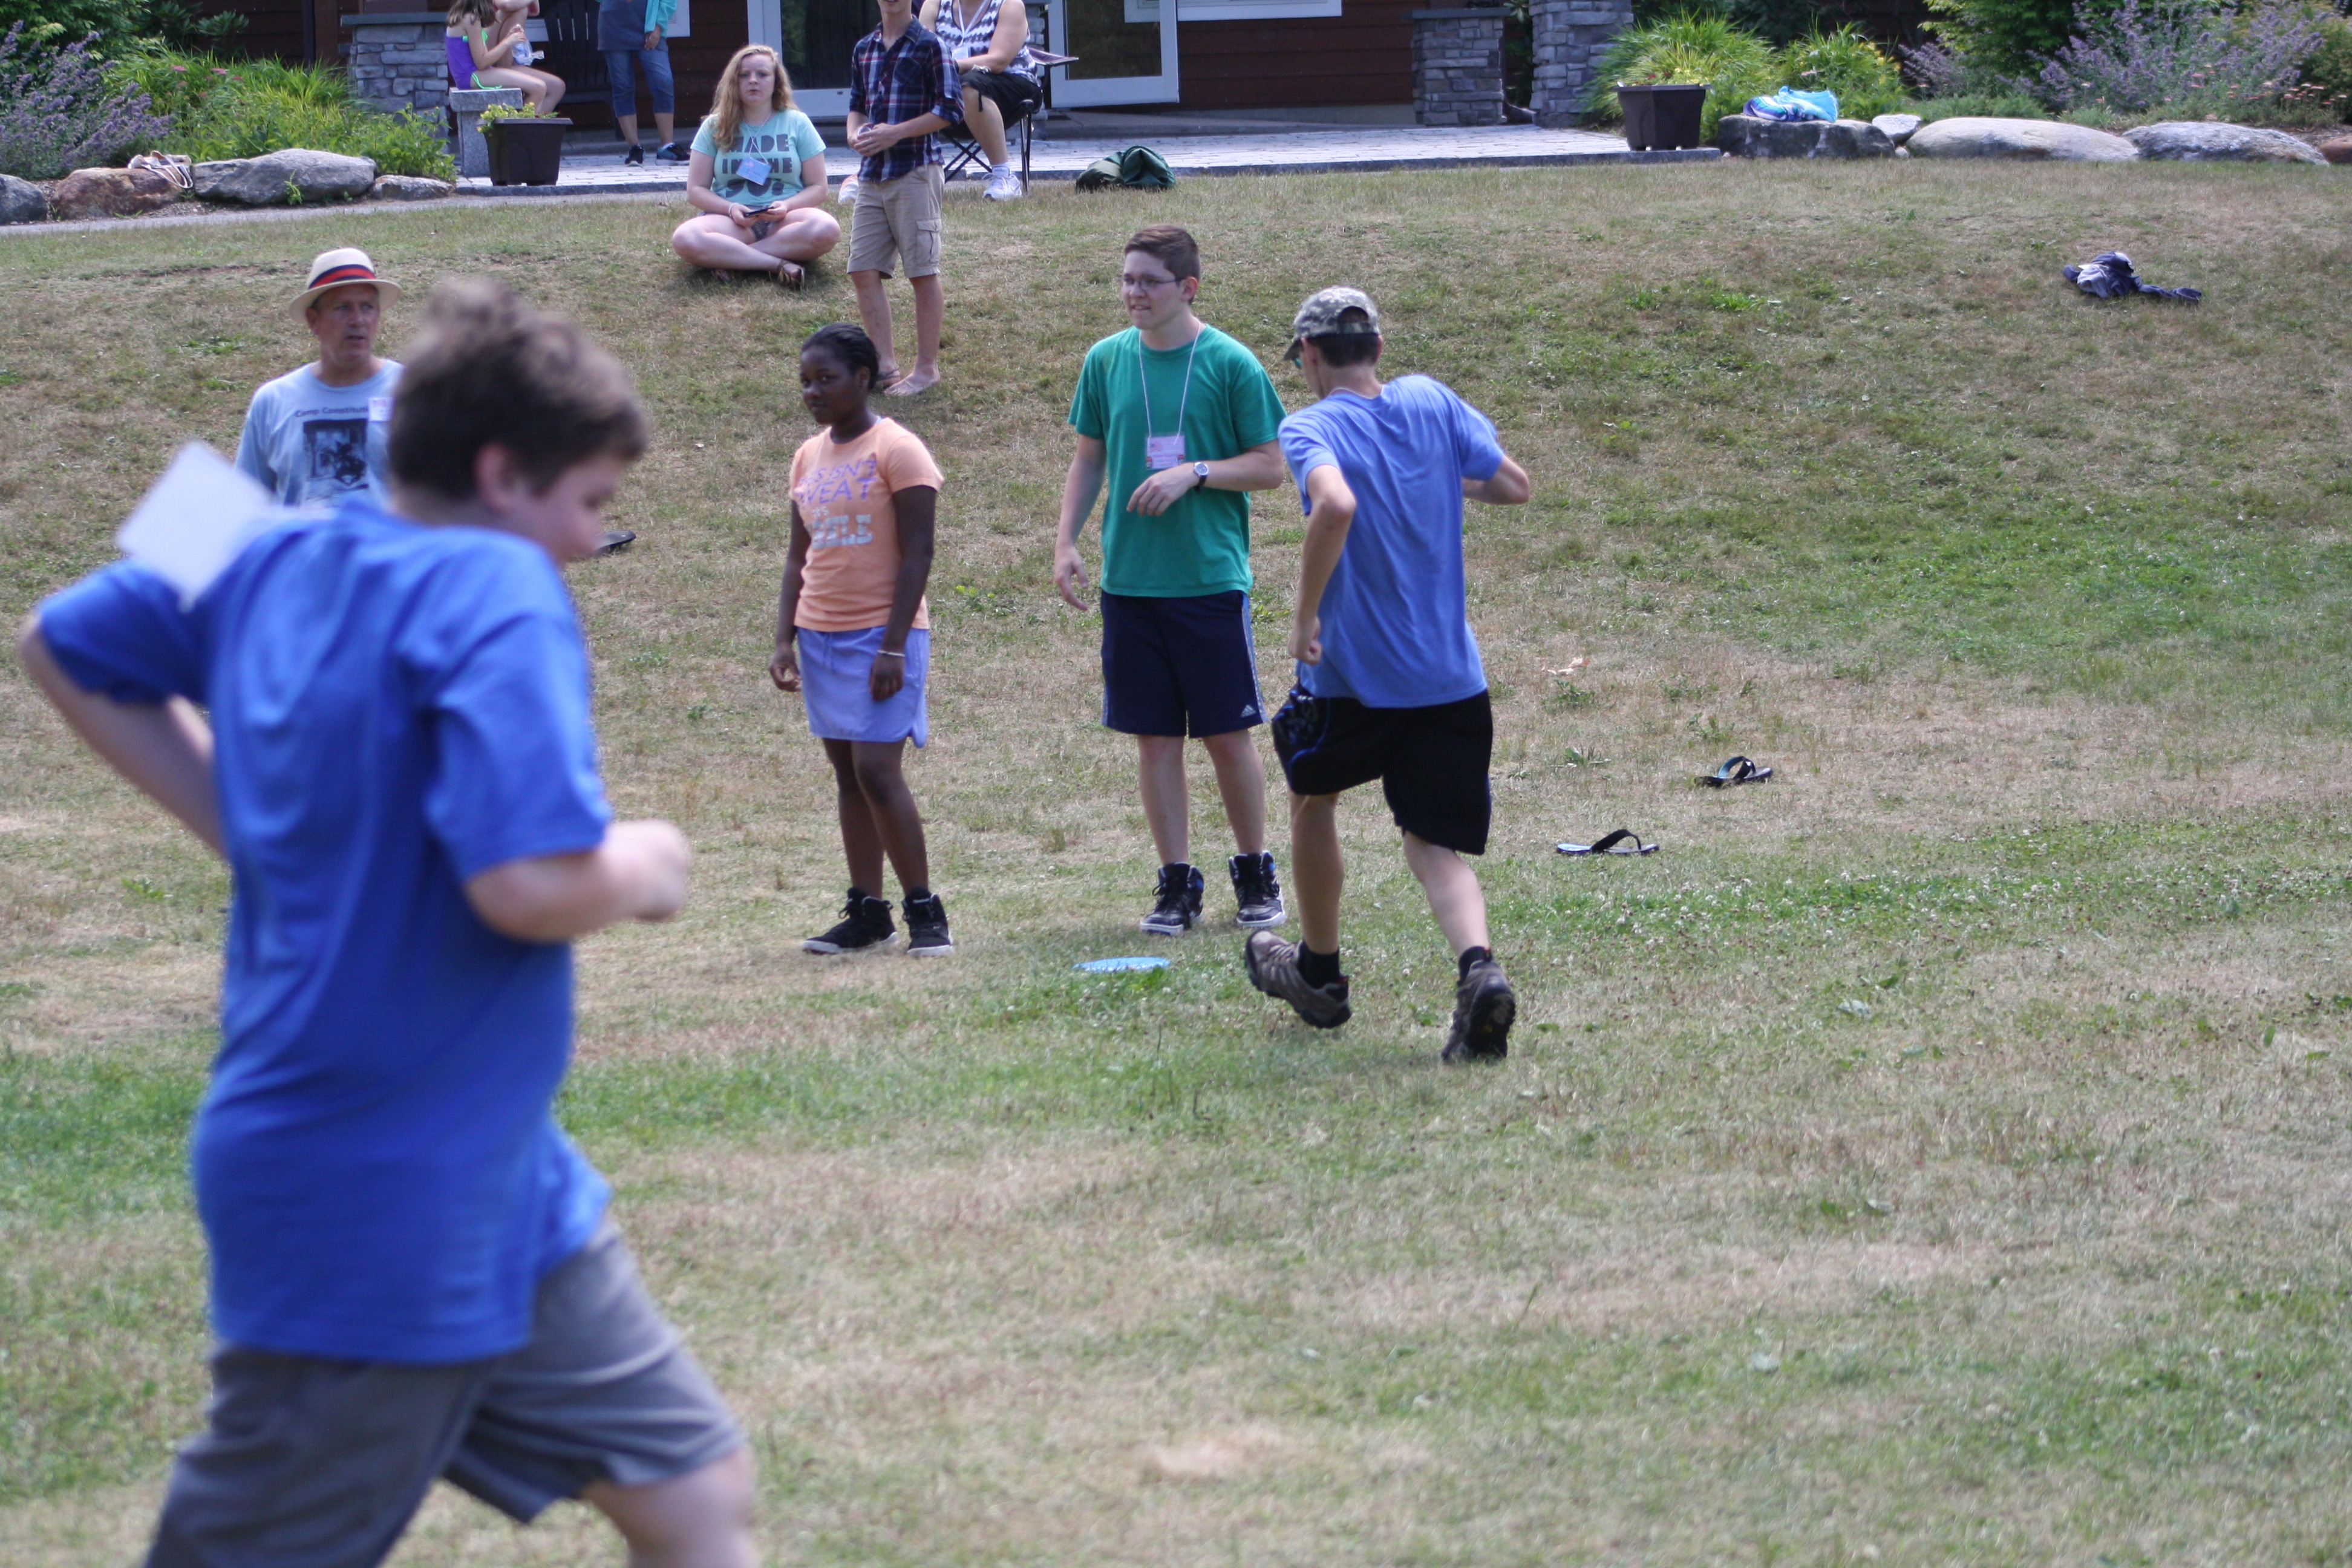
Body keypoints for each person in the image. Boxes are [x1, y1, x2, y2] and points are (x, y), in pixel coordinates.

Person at [16, 278, 756, 1567]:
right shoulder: (500, 583)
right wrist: (651, 862)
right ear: (501, 474)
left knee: (695, 1493)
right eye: (590, 504)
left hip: (504, 1176)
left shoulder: (254, 537)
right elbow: (527, 884)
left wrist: (240, 822)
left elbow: (57, 638)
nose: (593, 542)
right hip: (369, 1178)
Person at [1242, 287, 1532, 1063]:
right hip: (1450, 678)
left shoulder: (1311, 426)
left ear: (1309, 355)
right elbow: (1513, 484)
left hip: (1356, 680)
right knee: (1432, 842)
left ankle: (1319, 974)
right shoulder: (1431, 401)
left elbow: (1334, 504)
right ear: (1377, 347)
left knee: (1313, 798)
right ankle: (1479, 968)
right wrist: (1430, 479)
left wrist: (1303, 617)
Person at [1054, 225, 1291, 936]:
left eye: (1149, 281)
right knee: (1154, 739)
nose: (1134, 293)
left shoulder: (1230, 363)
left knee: (1226, 735)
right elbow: (1089, 456)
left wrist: (1196, 472)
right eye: (1127, 279)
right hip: (1131, 583)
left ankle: (1254, 873)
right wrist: (1065, 541)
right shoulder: (1105, 360)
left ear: (1187, 288)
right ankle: (1177, 883)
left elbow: (1271, 467)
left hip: (1208, 580)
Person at [770, 324, 953, 957]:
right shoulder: (807, 456)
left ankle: (924, 908)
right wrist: (784, 639)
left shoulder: (898, 449)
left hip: (883, 634)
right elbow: (798, 557)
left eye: (826, 379)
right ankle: (868, 911)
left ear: (863, 378)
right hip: (820, 634)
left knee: (877, 770)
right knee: (848, 774)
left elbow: (919, 553)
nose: (813, 392)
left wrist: (894, 646)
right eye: (805, 382)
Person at [845, 0, 962, 396]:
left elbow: (950, 110)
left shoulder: (931, 45)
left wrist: (895, 132)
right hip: (872, 174)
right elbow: (857, 107)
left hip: (916, 170)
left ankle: (927, 369)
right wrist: (855, 134)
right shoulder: (864, 48)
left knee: (922, 271)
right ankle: (884, 365)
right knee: (863, 269)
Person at [234, 248, 404, 509]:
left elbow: (444, 499)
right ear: (314, 321)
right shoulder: (273, 401)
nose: (358, 320)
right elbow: (246, 507)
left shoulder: (411, 392)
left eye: (367, 307)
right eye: (342, 308)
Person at [670, 44, 841, 288]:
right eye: (744, 75)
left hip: (786, 221)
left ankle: (734, 259)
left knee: (827, 228)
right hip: (731, 221)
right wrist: (731, 209)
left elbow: (819, 188)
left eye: (762, 74)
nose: (753, 81)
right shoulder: (714, 126)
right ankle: (778, 264)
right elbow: (696, 190)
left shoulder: (798, 123)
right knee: (685, 238)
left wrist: (787, 206)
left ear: (776, 82)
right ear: (734, 82)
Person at [919, 0, 1040, 201]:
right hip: (951, 86)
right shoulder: (935, 4)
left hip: (1011, 85)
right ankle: (899, 175)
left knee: (969, 85)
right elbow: (921, 53)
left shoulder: (1009, 5)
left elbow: (998, 61)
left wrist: (950, 66)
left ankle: (1005, 177)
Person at [600, 0, 683, 165]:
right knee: (623, 87)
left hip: (649, 27)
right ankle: (634, 148)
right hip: (613, 27)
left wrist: (658, 26)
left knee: (663, 82)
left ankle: (667, 146)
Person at [445, 0, 564, 112]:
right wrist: (508, 42)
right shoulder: (471, 20)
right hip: (471, 76)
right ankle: (522, 126)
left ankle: (527, 125)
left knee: (543, 87)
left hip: (475, 73)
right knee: (538, 87)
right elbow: (481, 63)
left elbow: (535, 10)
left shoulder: (469, 16)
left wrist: (508, 38)